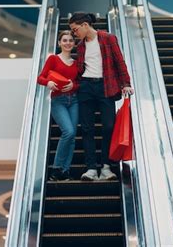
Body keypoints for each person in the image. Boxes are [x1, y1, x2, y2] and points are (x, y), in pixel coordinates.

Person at [69, 12, 134, 181]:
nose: (74, 34)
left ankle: (106, 167)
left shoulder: (107, 38)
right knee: (87, 128)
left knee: (108, 127)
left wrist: (126, 83)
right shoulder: (81, 46)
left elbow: (119, 61)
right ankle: (91, 168)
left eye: (75, 30)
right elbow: (80, 68)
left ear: (85, 25)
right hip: (86, 87)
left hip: (106, 86)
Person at [37, 31, 78, 181]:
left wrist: (74, 84)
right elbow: (40, 77)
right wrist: (47, 82)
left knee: (72, 136)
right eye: (64, 40)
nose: (68, 43)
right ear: (59, 43)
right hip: (58, 100)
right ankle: (56, 168)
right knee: (68, 131)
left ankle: (65, 171)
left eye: (70, 40)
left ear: (74, 43)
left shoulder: (76, 63)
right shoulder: (53, 59)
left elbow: (79, 83)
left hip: (74, 101)